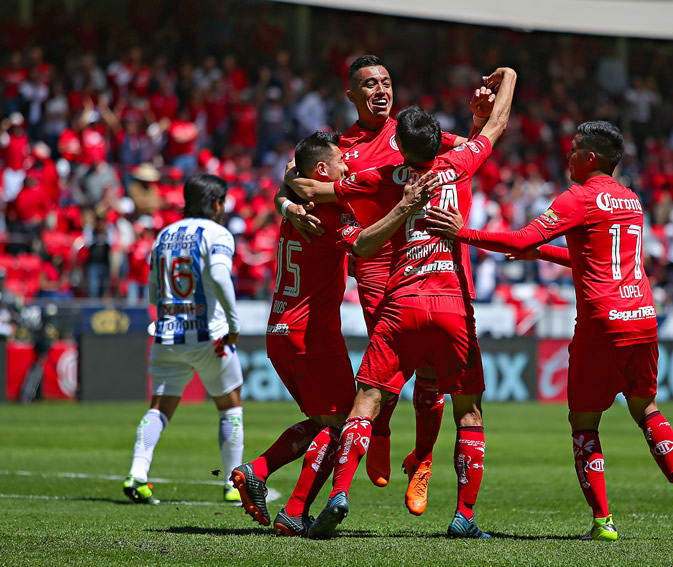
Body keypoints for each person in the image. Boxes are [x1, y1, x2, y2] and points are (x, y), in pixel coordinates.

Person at [427, 120, 673, 541]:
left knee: (584, 423)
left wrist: (461, 233)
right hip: (643, 316)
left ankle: (603, 522)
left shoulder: (578, 198)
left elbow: (520, 240)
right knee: (645, 408)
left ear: (590, 158)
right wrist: (543, 253)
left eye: (575, 149)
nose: (568, 156)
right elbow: (592, 258)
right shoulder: (631, 200)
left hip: (602, 321)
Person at [287, 66, 516, 539]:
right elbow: (494, 129)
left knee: (366, 399)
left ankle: (342, 492)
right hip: (450, 299)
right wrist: (509, 76)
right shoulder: (459, 163)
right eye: (370, 84)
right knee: (468, 410)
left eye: (386, 83)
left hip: (402, 293)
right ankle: (464, 517)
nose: (381, 91)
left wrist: (291, 200)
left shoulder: (385, 175)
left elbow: (310, 186)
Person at [229, 131, 439, 536]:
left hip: (280, 328)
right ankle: (292, 509)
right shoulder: (326, 211)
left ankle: (259, 471)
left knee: (324, 420)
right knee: (344, 425)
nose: (348, 168)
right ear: (322, 169)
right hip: (311, 333)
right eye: (342, 163)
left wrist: (285, 201)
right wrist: (404, 206)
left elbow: (290, 177)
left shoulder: (299, 204)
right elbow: (361, 245)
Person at [123, 173, 245, 504]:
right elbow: (219, 275)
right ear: (218, 204)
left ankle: (137, 473)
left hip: (167, 335)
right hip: (210, 337)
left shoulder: (163, 236)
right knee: (230, 407)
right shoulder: (218, 233)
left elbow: (152, 292)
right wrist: (234, 323)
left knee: (159, 409)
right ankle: (233, 484)